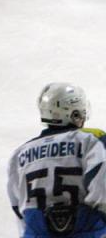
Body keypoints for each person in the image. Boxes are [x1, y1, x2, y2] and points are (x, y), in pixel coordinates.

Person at [7, 82, 106, 237]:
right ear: (73, 113)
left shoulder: (19, 154)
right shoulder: (90, 141)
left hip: (38, 230)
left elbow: (17, 206)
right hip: (84, 227)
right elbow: (101, 188)